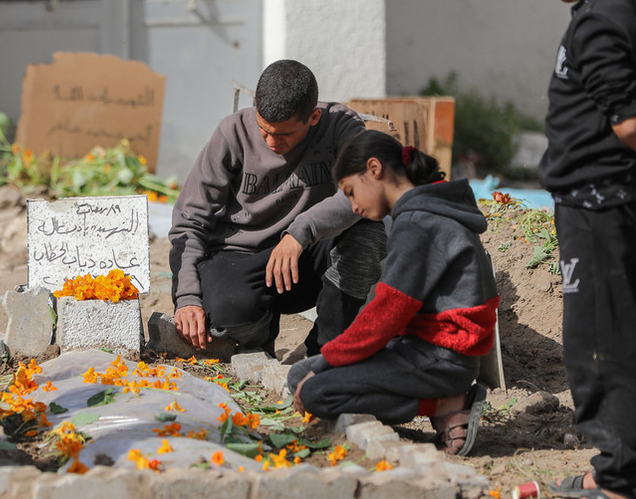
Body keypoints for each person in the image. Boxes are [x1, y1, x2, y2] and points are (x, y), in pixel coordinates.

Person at [286, 131, 496, 456]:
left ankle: (445, 402)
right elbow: (387, 308)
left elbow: (387, 312)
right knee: (301, 374)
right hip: (418, 348)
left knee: (316, 392)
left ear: (374, 169)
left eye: (351, 192)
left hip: (444, 358)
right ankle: (439, 400)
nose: (353, 206)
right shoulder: (416, 214)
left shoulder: (420, 222)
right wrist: (332, 358)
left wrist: (330, 359)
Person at [523, 0, 636, 499]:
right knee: (615, 333)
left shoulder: (598, 20)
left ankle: (616, 478)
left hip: (596, 204)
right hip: (601, 200)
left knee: (597, 341)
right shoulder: (616, 9)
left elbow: (628, 123)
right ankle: (615, 465)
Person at [169, 59, 387, 355]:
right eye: (264, 130)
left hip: (305, 256)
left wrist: (300, 232)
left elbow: (368, 189)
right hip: (240, 257)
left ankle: (324, 350)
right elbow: (189, 221)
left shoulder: (340, 126)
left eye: (284, 135)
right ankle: (261, 342)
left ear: (313, 117)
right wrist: (187, 298)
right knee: (227, 311)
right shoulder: (232, 133)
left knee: (368, 231)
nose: (272, 142)